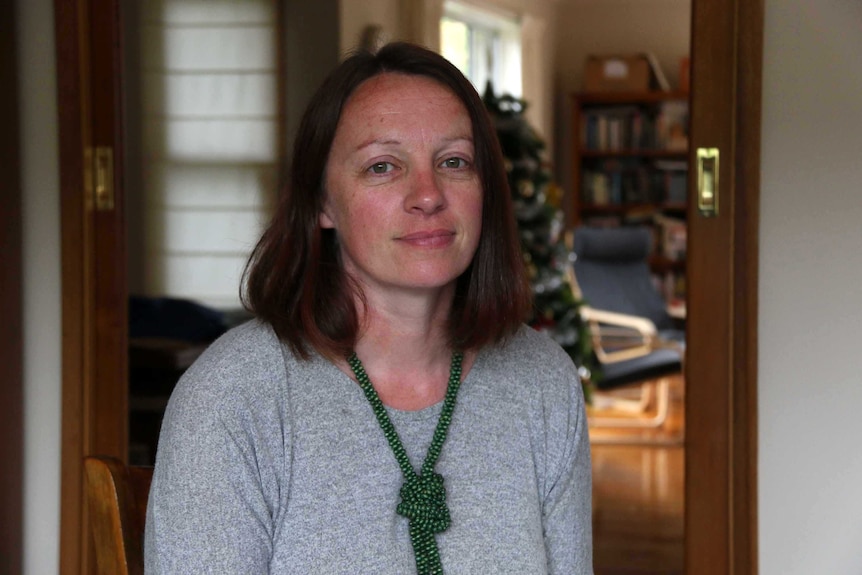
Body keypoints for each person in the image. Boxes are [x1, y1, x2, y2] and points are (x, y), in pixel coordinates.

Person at [144, 41, 592, 574]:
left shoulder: (543, 382)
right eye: (382, 166)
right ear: (322, 204)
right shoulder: (231, 398)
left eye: (454, 161)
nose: (427, 195)